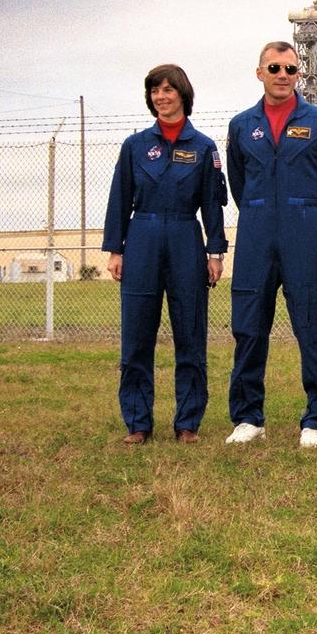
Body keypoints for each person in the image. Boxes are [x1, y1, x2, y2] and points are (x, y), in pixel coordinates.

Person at [224, 42, 317, 448]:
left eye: (290, 69)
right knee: (248, 326)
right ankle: (247, 417)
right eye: (274, 67)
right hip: (257, 234)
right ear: (259, 72)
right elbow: (239, 183)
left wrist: (306, 213)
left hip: (305, 235)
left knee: (313, 326)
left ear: (299, 74)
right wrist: (264, 211)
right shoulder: (242, 125)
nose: (282, 74)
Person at [102, 64, 227, 444]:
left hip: (185, 239)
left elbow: (212, 204)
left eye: (169, 89)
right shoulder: (135, 146)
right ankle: (138, 423)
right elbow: (120, 199)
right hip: (142, 239)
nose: (162, 96)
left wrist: (215, 252)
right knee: (137, 335)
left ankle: (187, 422)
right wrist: (115, 250)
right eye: (155, 90)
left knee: (190, 333)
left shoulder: (203, 147)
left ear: (183, 94)